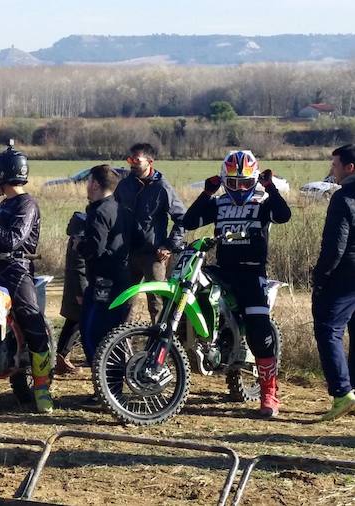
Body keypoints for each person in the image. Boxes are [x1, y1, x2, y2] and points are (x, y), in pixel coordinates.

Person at [183, 151, 290, 418]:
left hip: (252, 273)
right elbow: (188, 222)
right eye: (232, 182)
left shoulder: (263, 203)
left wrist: (270, 187)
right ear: (223, 180)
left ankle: (269, 393)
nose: (239, 188)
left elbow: (284, 215)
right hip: (222, 270)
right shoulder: (218, 204)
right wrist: (207, 193)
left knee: (258, 328)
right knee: (190, 289)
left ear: (253, 180)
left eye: (244, 182)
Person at [0, 144, 53, 414]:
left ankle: (41, 389)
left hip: (17, 270)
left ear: (3, 174)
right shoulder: (5, 204)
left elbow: (14, 241)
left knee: (32, 320)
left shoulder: (26, 204)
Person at [114, 143, 186, 323]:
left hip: (154, 256)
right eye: (130, 159)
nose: (131, 163)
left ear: (150, 161)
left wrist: (169, 246)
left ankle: (161, 347)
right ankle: (120, 346)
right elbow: (112, 214)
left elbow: (182, 218)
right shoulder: (124, 185)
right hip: (127, 254)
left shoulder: (162, 187)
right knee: (123, 303)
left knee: (157, 304)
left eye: (136, 160)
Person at [311, 143, 355, 421]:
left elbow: (334, 246)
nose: (332, 169)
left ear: (350, 168)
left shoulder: (343, 197)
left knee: (329, 329)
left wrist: (321, 276)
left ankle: (342, 393)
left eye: (335, 165)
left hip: (345, 273)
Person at [77, 165, 135, 370]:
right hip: (121, 277)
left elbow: (95, 248)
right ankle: (112, 385)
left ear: (94, 184)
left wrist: (79, 243)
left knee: (92, 331)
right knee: (111, 333)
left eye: (88, 181)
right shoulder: (121, 209)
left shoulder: (99, 211)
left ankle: (107, 384)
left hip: (104, 281)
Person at [54, 211, 87, 375]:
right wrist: (81, 292)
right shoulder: (80, 236)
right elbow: (80, 267)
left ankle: (61, 357)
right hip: (80, 287)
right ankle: (63, 358)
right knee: (79, 322)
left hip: (75, 285)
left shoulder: (76, 233)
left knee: (73, 321)